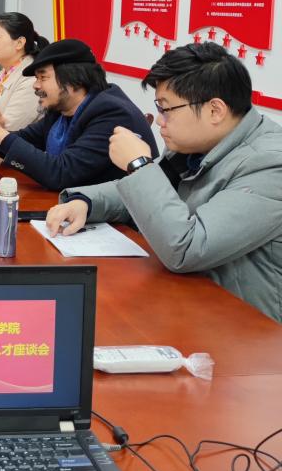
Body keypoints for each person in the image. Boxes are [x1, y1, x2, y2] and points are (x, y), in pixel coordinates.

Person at [46, 42, 282, 322]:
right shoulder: (199, 144)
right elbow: (153, 189)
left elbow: (188, 248)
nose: (159, 121)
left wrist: (138, 165)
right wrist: (86, 202)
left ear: (215, 111)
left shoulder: (269, 164)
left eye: (167, 109)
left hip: (248, 329)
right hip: (191, 303)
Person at [0, 38, 157, 190]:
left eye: (43, 77)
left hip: (112, 218)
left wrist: (0, 135)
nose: (36, 85)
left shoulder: (111, 113)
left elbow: (62, 174)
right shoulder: (60, 111)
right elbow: (25, 140)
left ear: (73, 80)